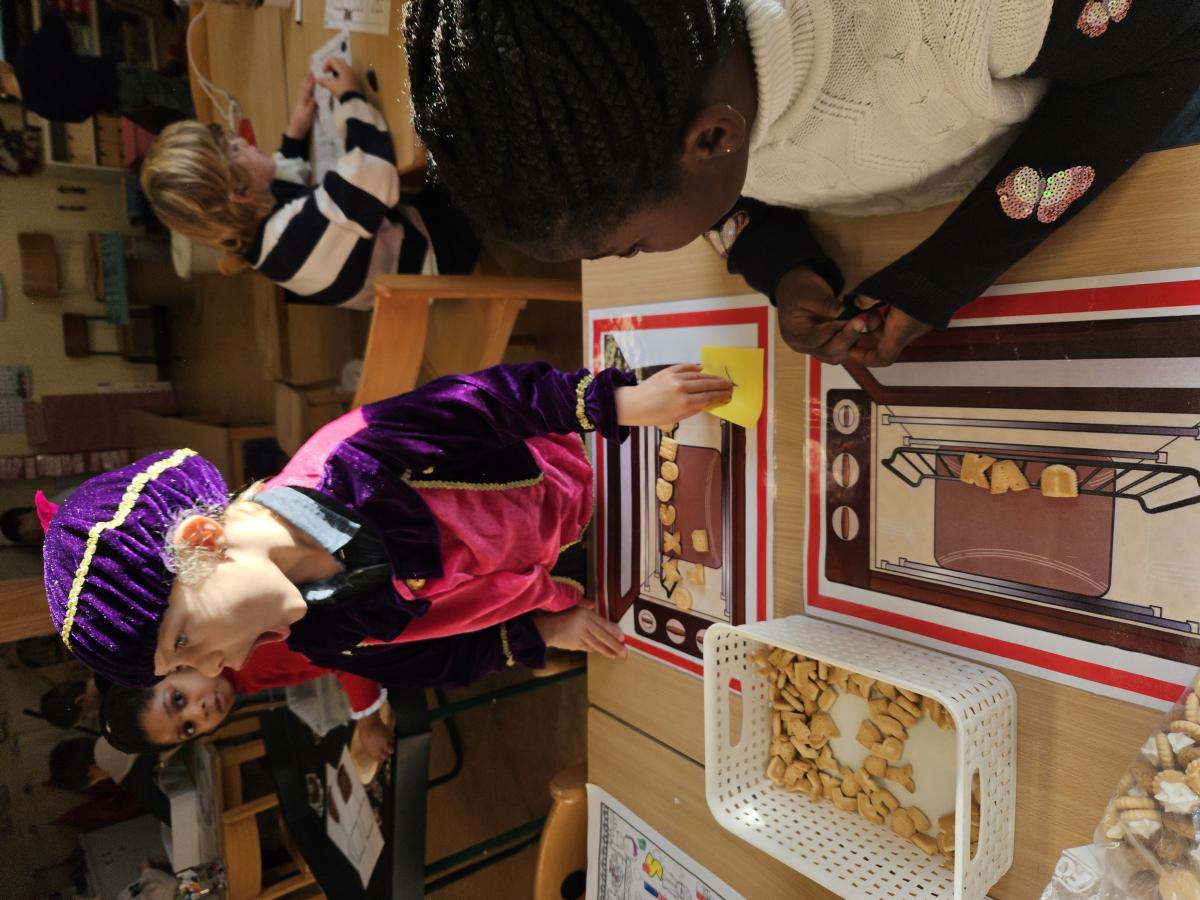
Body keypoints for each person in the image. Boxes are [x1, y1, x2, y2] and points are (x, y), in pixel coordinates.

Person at [403, 0, 1200, 365]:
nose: (639, 257)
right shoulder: (671, 95)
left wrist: (946, 273)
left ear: (714, 138)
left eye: (630, 247)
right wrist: (782, 266)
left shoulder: (957, 16)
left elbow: (1171, 43)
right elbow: (722, 198)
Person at [40, 362, 731, 688]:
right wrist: (541, 632)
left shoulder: (351, 460)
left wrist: (618, 402)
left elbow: (484, 402)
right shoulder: (324, 633)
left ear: (202, 540)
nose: (218, 668)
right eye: (186, 668)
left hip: (604, 475)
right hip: (598, 586)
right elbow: (429, 661)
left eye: (185, 641)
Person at [139, 60, 479, 306]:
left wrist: (295, 132)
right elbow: (373, 171)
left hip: (408, 242)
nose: (240, 141)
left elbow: (281, 186)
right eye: (233, 149)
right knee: (454, 112)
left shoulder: (260, 228)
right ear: (240, 193)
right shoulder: (298, 236)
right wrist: (350, 98)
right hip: (441, 254)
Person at [97, 641, 395, 759]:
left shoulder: (242, 655)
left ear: (172, 666)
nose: (199, 713)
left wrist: (368, 723)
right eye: (188, 728)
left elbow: (343, 650)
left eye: (178, 699)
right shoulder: (238, 679)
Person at [0, 13, 194, 130]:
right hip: (118, 80)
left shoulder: (35, 106)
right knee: (180, 96)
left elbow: (79, 116)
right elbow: (56, 26)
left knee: (174, 95)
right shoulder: (26, 63)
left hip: (119, 104)